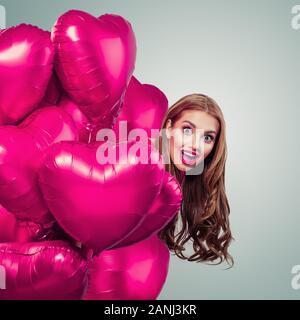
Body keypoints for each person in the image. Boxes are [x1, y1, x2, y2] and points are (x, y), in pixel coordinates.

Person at [155, 93, 234, 266]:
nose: (195, 145)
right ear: (168, 127)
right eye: (187, 130)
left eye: (207, 138)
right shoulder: (142, 164)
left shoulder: (180, 177)